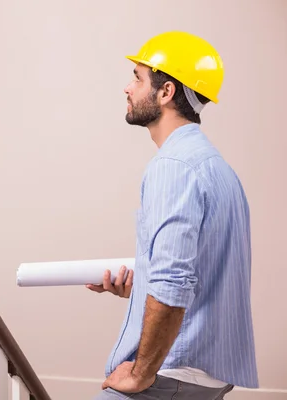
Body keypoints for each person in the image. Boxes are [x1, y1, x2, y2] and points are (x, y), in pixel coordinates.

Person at [87, 31, 259, 399]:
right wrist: (138, 289)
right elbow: (205, 273)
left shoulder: (173, 167)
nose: (128, 88)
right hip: (205, 376)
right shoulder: (217, 168)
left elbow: (172, 281)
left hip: (171, 376)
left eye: (137, 77)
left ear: (165, 92)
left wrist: (139, 374)